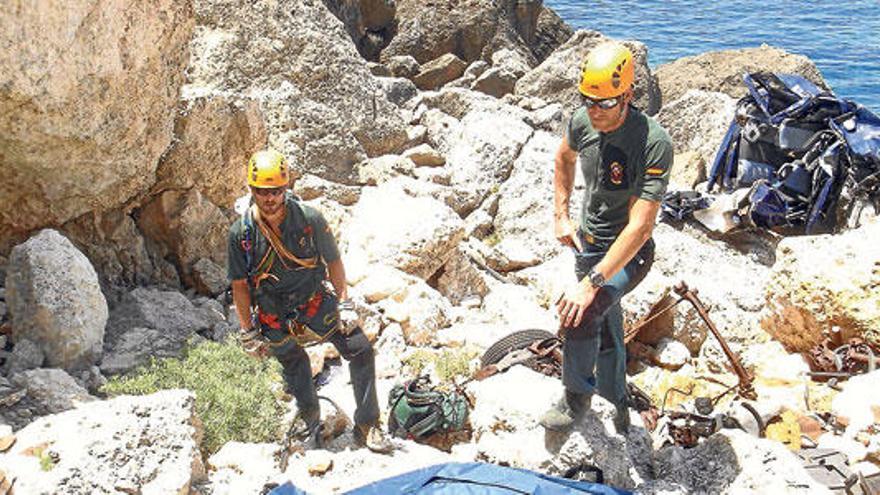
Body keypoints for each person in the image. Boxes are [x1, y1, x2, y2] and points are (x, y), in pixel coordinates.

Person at [541, 42, 673, 434]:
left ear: (629, 96)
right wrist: (561, 215)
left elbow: (640, 227)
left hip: (630, 254)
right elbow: (563, 158)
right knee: (607, 326)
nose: (594, 110)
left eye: (606, 103)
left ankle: (575, 400)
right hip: (588, 241)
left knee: (583, 313)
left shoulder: (653, 142)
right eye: (588, 100)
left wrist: (592, 282)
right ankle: (616, 400)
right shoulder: (583, 121)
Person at [227, 149, 393, 453]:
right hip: (273, 313)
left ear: (286, 188)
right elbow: (239, 286)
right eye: (262, 191)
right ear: (251, 190)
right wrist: (247, 330)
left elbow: (334, 262)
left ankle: (368, 424)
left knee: (359, 349)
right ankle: (310, 424)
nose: (269, 198)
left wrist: (344, 303)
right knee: (294, 364)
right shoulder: (242, 234)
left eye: (276, 190)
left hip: (314, 302)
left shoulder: (309, 219)